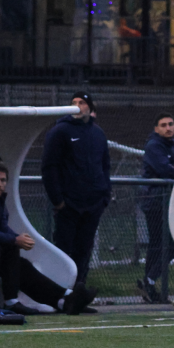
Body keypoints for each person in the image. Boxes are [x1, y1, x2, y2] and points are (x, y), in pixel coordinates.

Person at [0, 160, 96, 315]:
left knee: (17, 260)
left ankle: (64, 300)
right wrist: (14, 239)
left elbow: (2, 227)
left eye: (3, 180)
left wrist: (17, 238)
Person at [41, 91, 111, 285]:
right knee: (64, 250)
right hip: (69, 205)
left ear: (90, 107)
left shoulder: (98, 134)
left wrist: (104, 195)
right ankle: (60, 291)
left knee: (84, 250)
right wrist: (58, 200)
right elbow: (49, 167)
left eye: (82, 102)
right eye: (74, 102)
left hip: (93, 204)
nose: (78, 106)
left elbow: (105, 165)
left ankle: (79, 290)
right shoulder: (60, 131)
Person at [137, 113, 174, 304]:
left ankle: (149, 282)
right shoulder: (154, 146)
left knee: (167, 243)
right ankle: (150, 281)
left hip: (170, 202)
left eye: (171, 124)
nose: (168, 128)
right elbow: (165, 169)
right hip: (156, 202)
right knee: (163, 242)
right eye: (163, 125)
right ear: (156, 129)